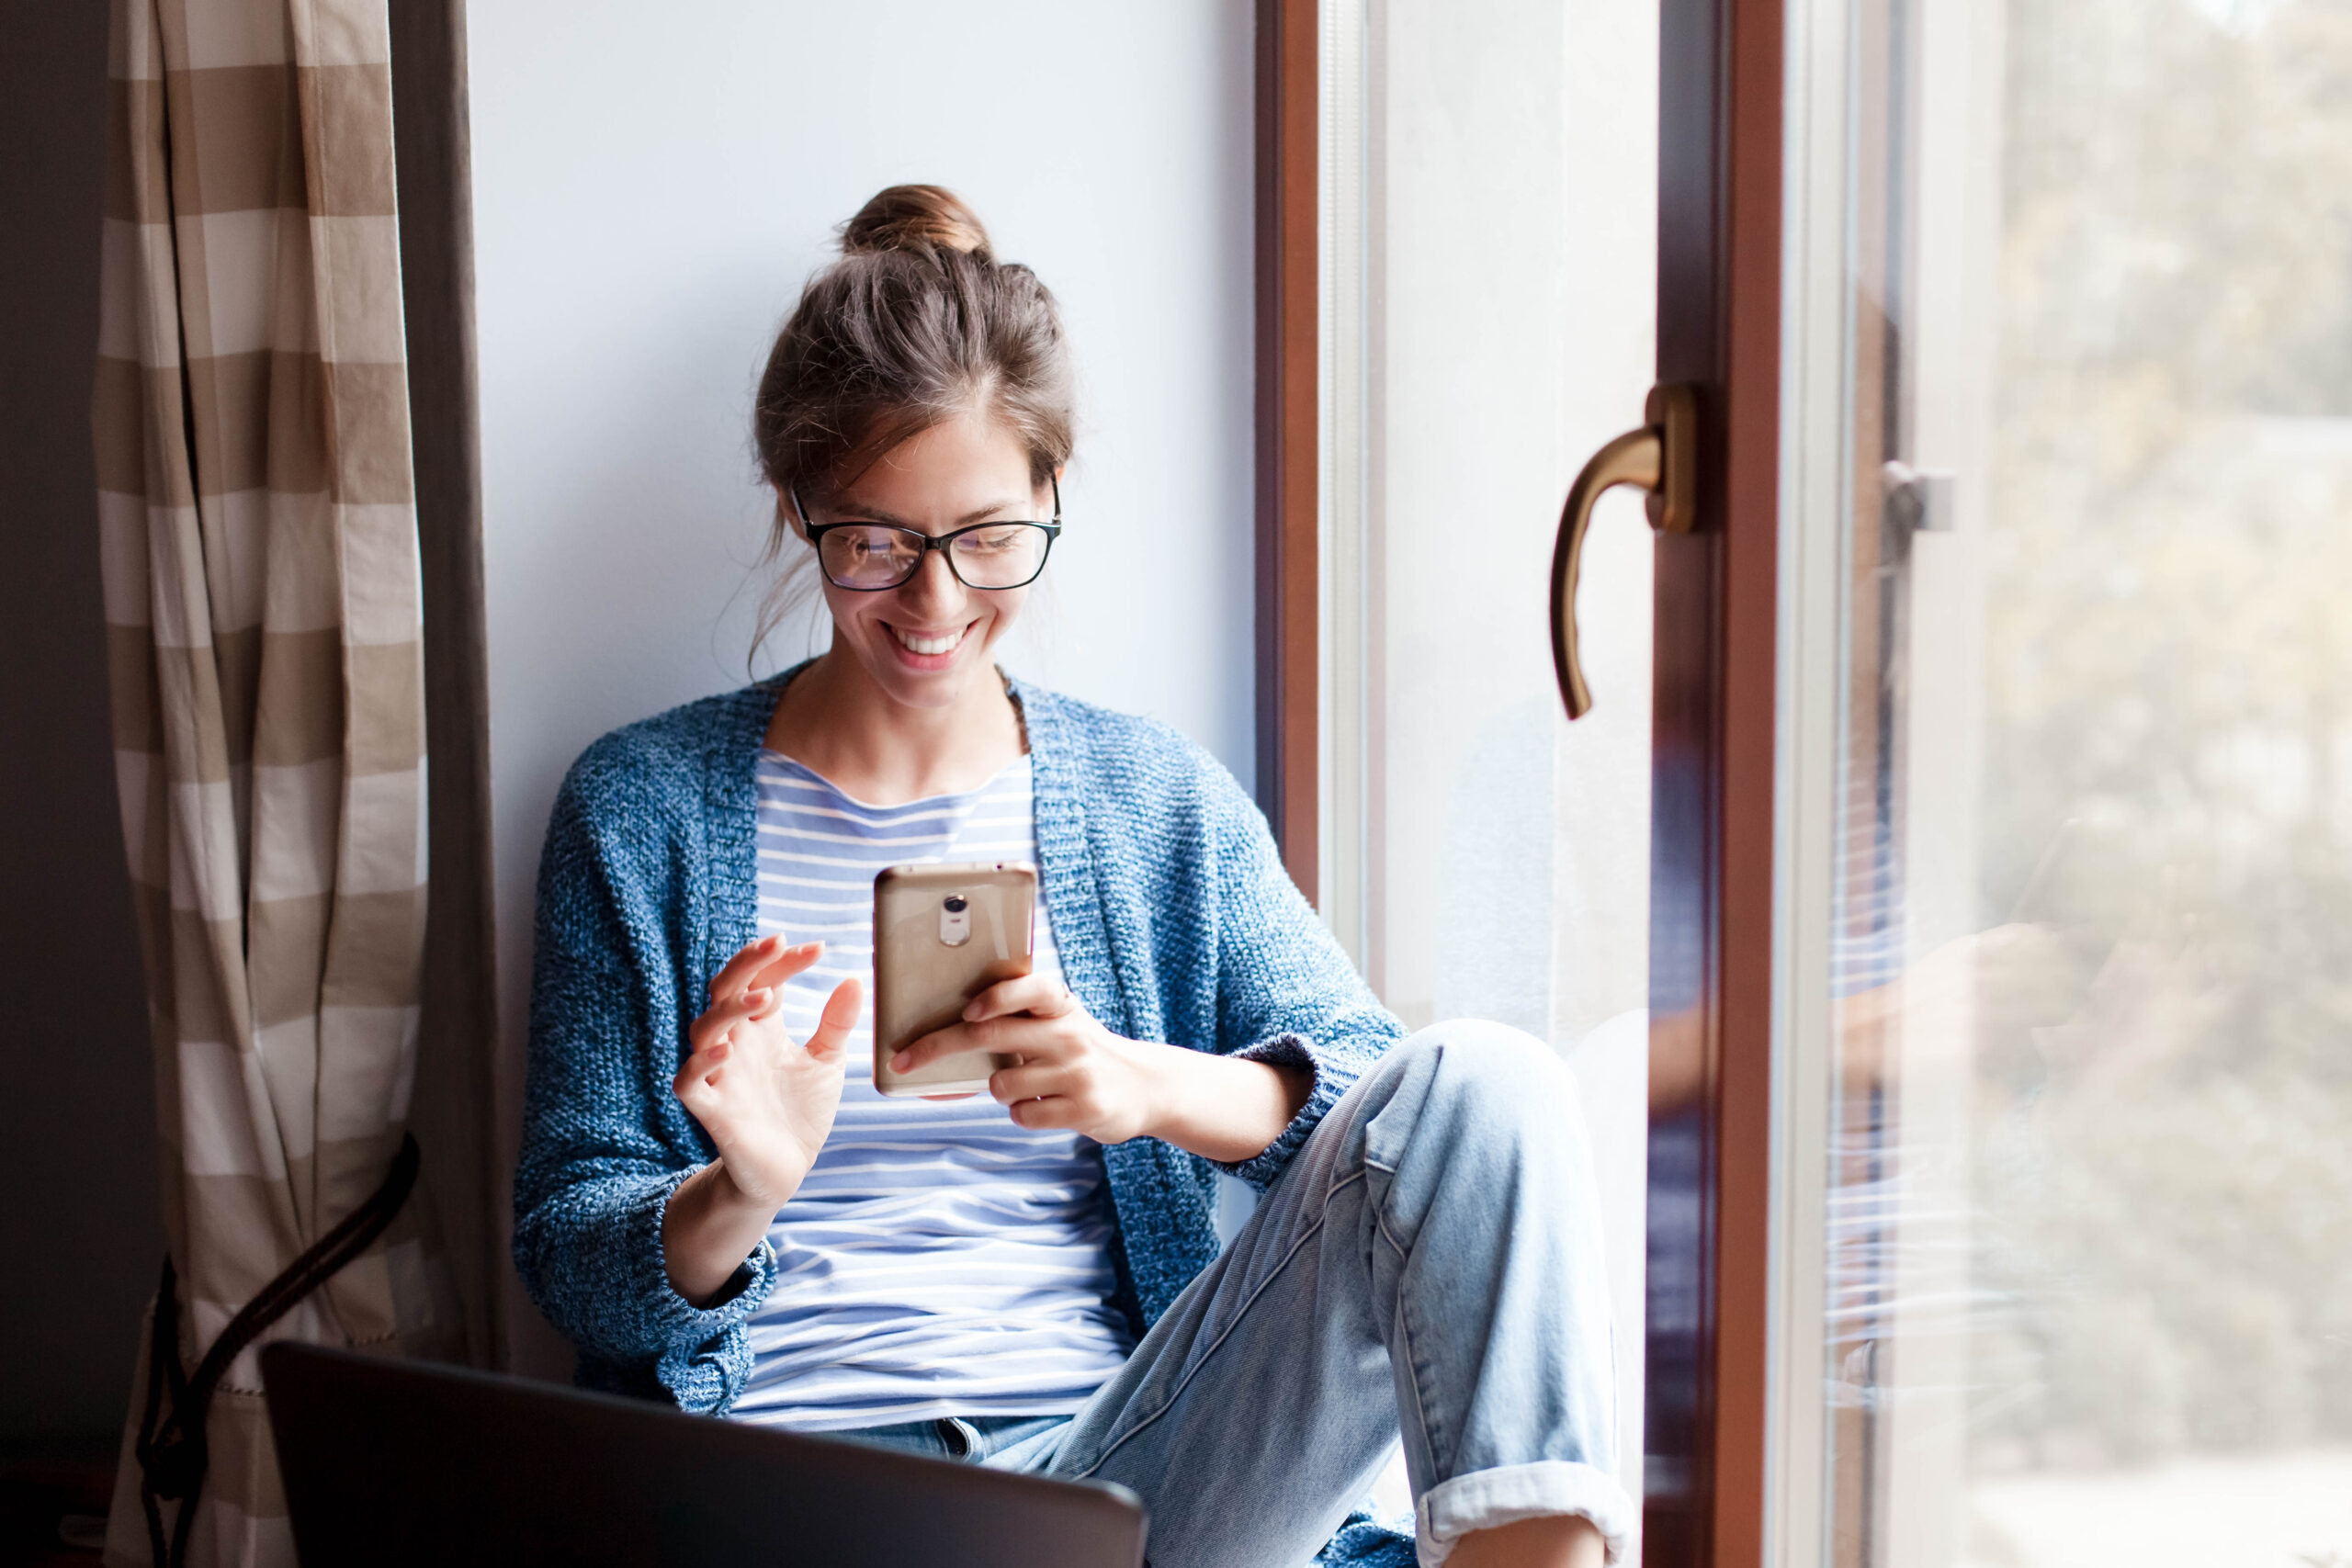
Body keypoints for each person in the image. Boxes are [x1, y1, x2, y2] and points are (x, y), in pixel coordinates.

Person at [513, 185, 1630, 1568]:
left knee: (1492, 1083)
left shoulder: (1147, 801)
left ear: (1052, 491)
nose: (934, 605)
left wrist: (1134, 1083)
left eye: (987, 538)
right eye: (877, 543)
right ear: (800, 508)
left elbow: (1387, 1120)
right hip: (793, 1500)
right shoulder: (643, 813)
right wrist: (738, 1191)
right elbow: (569, 1251)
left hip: (1119, 1482)